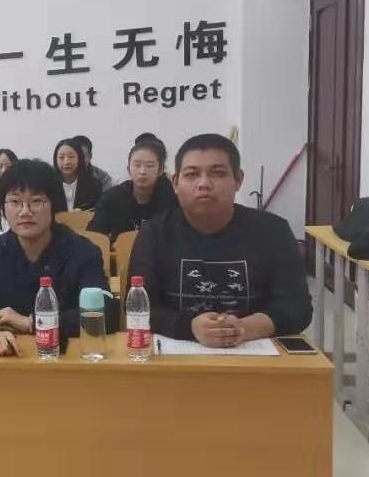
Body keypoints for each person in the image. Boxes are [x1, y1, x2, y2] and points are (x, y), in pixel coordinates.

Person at [128, 134, 312, 347]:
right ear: (175, 183)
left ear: (238, 179)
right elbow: (139, 307)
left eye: (217, 173)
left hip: (255, 352)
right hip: (178, 355)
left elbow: (298, 307)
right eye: (192, 174)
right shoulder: (155, 233)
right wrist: (190, 327)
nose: (204, 184)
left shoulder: (273, 231)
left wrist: (244, 328)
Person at [0, 159, 110, 357]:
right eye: (15, 202)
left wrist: (31, 323)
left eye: (36, 201)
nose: (25, 211)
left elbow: (106, 312)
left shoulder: (82, 251)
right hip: (6, 360)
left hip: (66, 359)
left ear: (54, 205)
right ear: (3, 207)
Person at [88, 137, 177, 241]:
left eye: (149, 166)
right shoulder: (112, 198)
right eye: (137, 165)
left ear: (161, 170)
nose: (142, 171)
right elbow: (93, 237)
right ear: (128, 169)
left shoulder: (172, 198)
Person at [53, 137, 100, 211]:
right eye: (61, 157)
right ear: (56, 160)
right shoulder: (48, 185)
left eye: (71, 157)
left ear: (80, 158)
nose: (66, 162)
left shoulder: (94, 185)